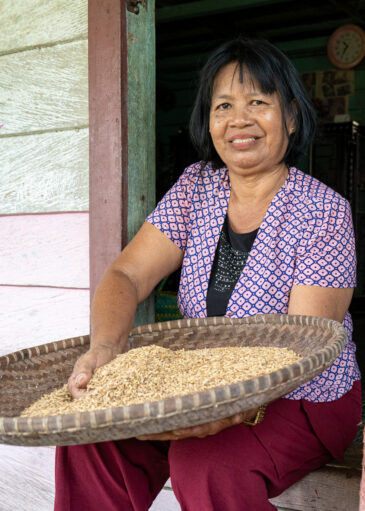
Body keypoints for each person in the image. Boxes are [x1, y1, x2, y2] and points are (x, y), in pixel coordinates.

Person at [54, 37, 361, 511]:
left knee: (204, 463)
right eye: (224, 105)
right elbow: (127, 275)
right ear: (210, 120)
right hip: (201, 391)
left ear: (292, 117)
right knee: (91, 438)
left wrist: (222, 413)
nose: (240, 119)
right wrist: (105, 350)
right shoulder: (197, 187)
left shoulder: (323, 211)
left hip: (303, 397)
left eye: (259, 102)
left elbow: (305, 347)